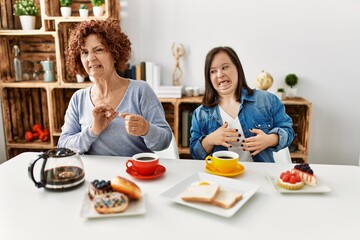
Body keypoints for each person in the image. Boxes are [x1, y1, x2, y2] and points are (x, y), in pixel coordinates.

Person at [58, 18, 172, 156]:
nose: (90, 58)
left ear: (114, 53)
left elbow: (165, 141)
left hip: (135, 174)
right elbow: (63, 145)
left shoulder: (140, 91)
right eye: (84, 52)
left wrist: (146, 129)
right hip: (95, 176)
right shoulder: (78, 99)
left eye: (98, 50)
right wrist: (93, 131)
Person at [190, 46, 294, 162]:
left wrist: (269, 140)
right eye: (213, 71)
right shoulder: (200, 114)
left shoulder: (266, 100)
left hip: (259, 176)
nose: (219, 74)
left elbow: (288, 131)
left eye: (225, 67)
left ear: (238, 68)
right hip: (219, 177)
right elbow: (195, 153)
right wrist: (209, 140)